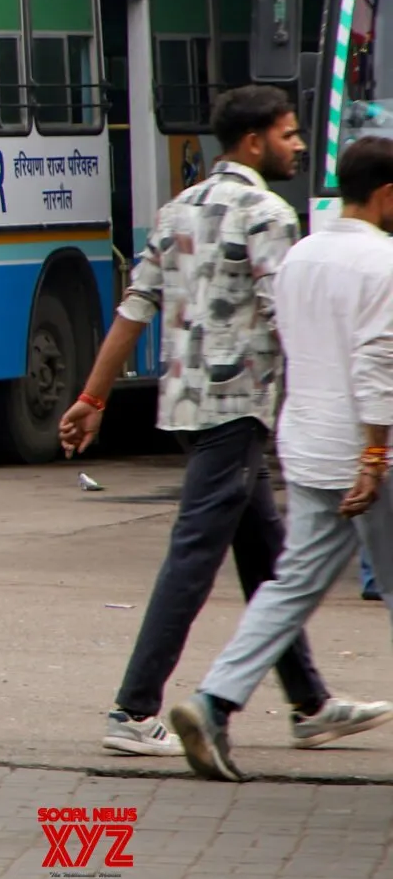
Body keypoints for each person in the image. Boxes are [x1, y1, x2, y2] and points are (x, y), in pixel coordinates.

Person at [63, 85, 351, 758]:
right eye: (289, 133)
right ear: (253, 142)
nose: (300, 145)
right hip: (240, 406)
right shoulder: (269, 213)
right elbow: (288, 316)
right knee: (194, 557)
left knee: (265, 555)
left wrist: (94, 398)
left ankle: (310, 702)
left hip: (189, 406)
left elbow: (134, 309)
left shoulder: (175, 210)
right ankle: (133, 710)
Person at [166, 138, 393, 779]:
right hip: (368, 457)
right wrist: (374, 454)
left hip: (307, 444)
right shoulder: (383, 263)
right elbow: (380, 364)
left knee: (290, 586)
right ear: (386, 196)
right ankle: (212, 704)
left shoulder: (301, 258)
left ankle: (211, 702)